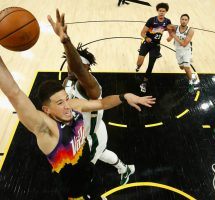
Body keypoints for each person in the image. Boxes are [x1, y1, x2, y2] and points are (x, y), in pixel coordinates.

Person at [0, 9, 155, 199]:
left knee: (96, 162)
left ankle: (122, 169)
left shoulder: (88, 90)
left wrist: (124, 96)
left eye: (66, 99)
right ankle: (122, 170)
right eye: (60, 102)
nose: (67, 105)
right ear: (47, 109)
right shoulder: (45, 125)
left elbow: (100, 99)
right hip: (74, 179)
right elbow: (14, 93)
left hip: (92, 138)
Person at [62, 44, 135, 186]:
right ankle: (124, 168)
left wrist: (65, 41)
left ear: (87, 68)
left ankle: (86, 190)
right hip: (85, 131)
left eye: (77, 65)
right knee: (101, 153)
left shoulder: (91, 87)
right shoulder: (68, 82)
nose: (72, 67)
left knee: (83, 172)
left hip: (91, 137)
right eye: (70, 63)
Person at [135, 2, 171, 93]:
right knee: (139, 62)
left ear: (166, 12)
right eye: (160, 11)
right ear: (157, 11)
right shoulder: (151, 20)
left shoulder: (167, 21)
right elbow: (142, 33)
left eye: (163, 11)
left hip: (156, 45)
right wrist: (146, 38)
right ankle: (138, 67)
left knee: (151, 64)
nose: (161, 12)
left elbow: (169, 29)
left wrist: (170, 36)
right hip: (146, 43)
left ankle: (144, 83)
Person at [166, 14, 199, 93]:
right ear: (180, 20)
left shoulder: (190, 30)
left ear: (188, 21)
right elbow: (168, 35)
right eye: (182, 19)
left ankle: (191, 82)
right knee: (181, 67)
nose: (184, 21)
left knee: (187, 67)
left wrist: (174, 35)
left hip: (186, 50)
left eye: (185, 20)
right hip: (178, 51)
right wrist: (170, 33)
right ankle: (186, 65)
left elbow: (184, 44)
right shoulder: (176, 28)